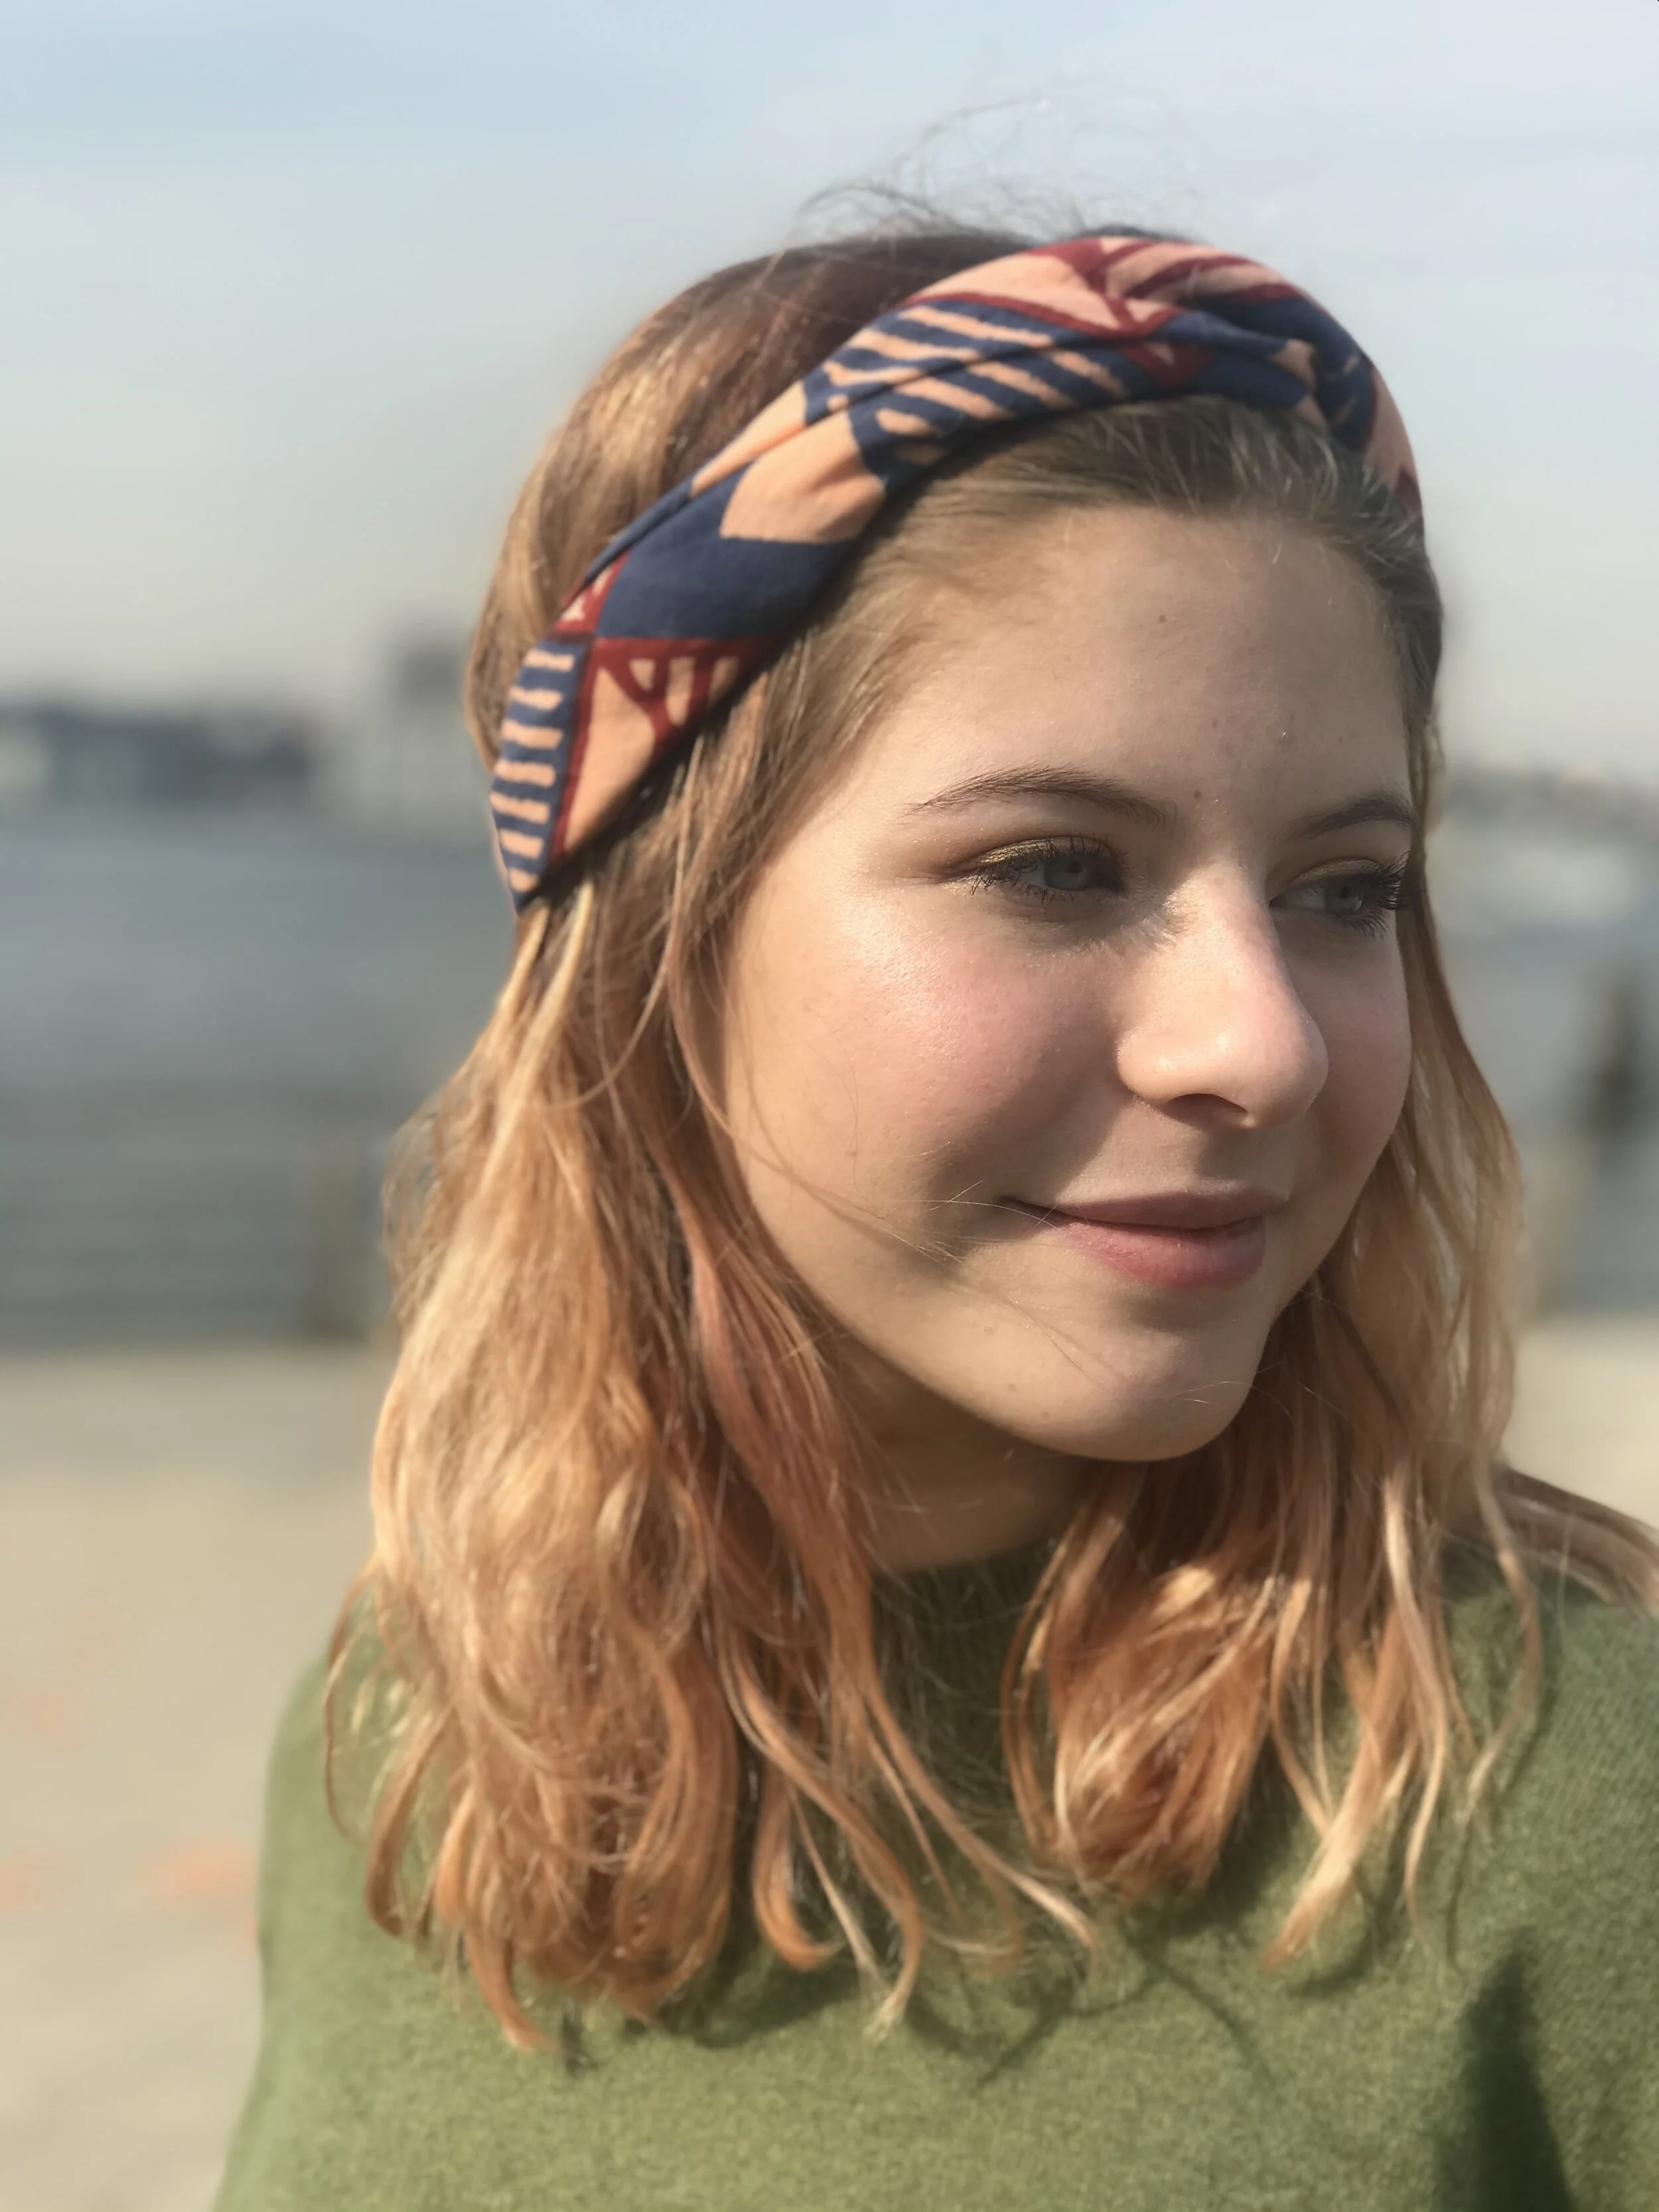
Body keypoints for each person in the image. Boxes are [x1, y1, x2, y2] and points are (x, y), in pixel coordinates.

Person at [216, 221, 1659, 2211]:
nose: (1263, 1043)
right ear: (653, 936)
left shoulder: (1574, 1814)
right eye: (1054, 864)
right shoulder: (412, 1729)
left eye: (1344, 891)